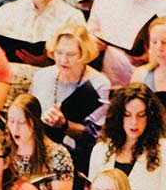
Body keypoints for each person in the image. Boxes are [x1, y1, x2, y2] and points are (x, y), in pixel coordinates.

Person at [89, 83, 166, 190]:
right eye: (127, 115)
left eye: (141, 115)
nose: (134, 122)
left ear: (150, 116)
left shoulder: (163, 149)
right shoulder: (102, 149)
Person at [30, 24, 110, 165]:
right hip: (39, 150)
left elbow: (95, 134)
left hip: (79, 155)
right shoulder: (41, 76)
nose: (63, 60)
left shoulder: (99, 84)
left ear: (83, 54)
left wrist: (64, 124)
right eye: (59, 53)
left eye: (71, 54)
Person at [87, 0, 166, 88]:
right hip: (111, 83)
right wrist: (93, 43)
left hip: (154, 88)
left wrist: (153, 54)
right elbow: (90, 35)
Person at [8, 94, 75, 190]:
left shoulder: (57, 154)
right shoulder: (5, 150)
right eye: (11, 121)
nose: (15, 128)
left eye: (21, 122)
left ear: (34, 123)